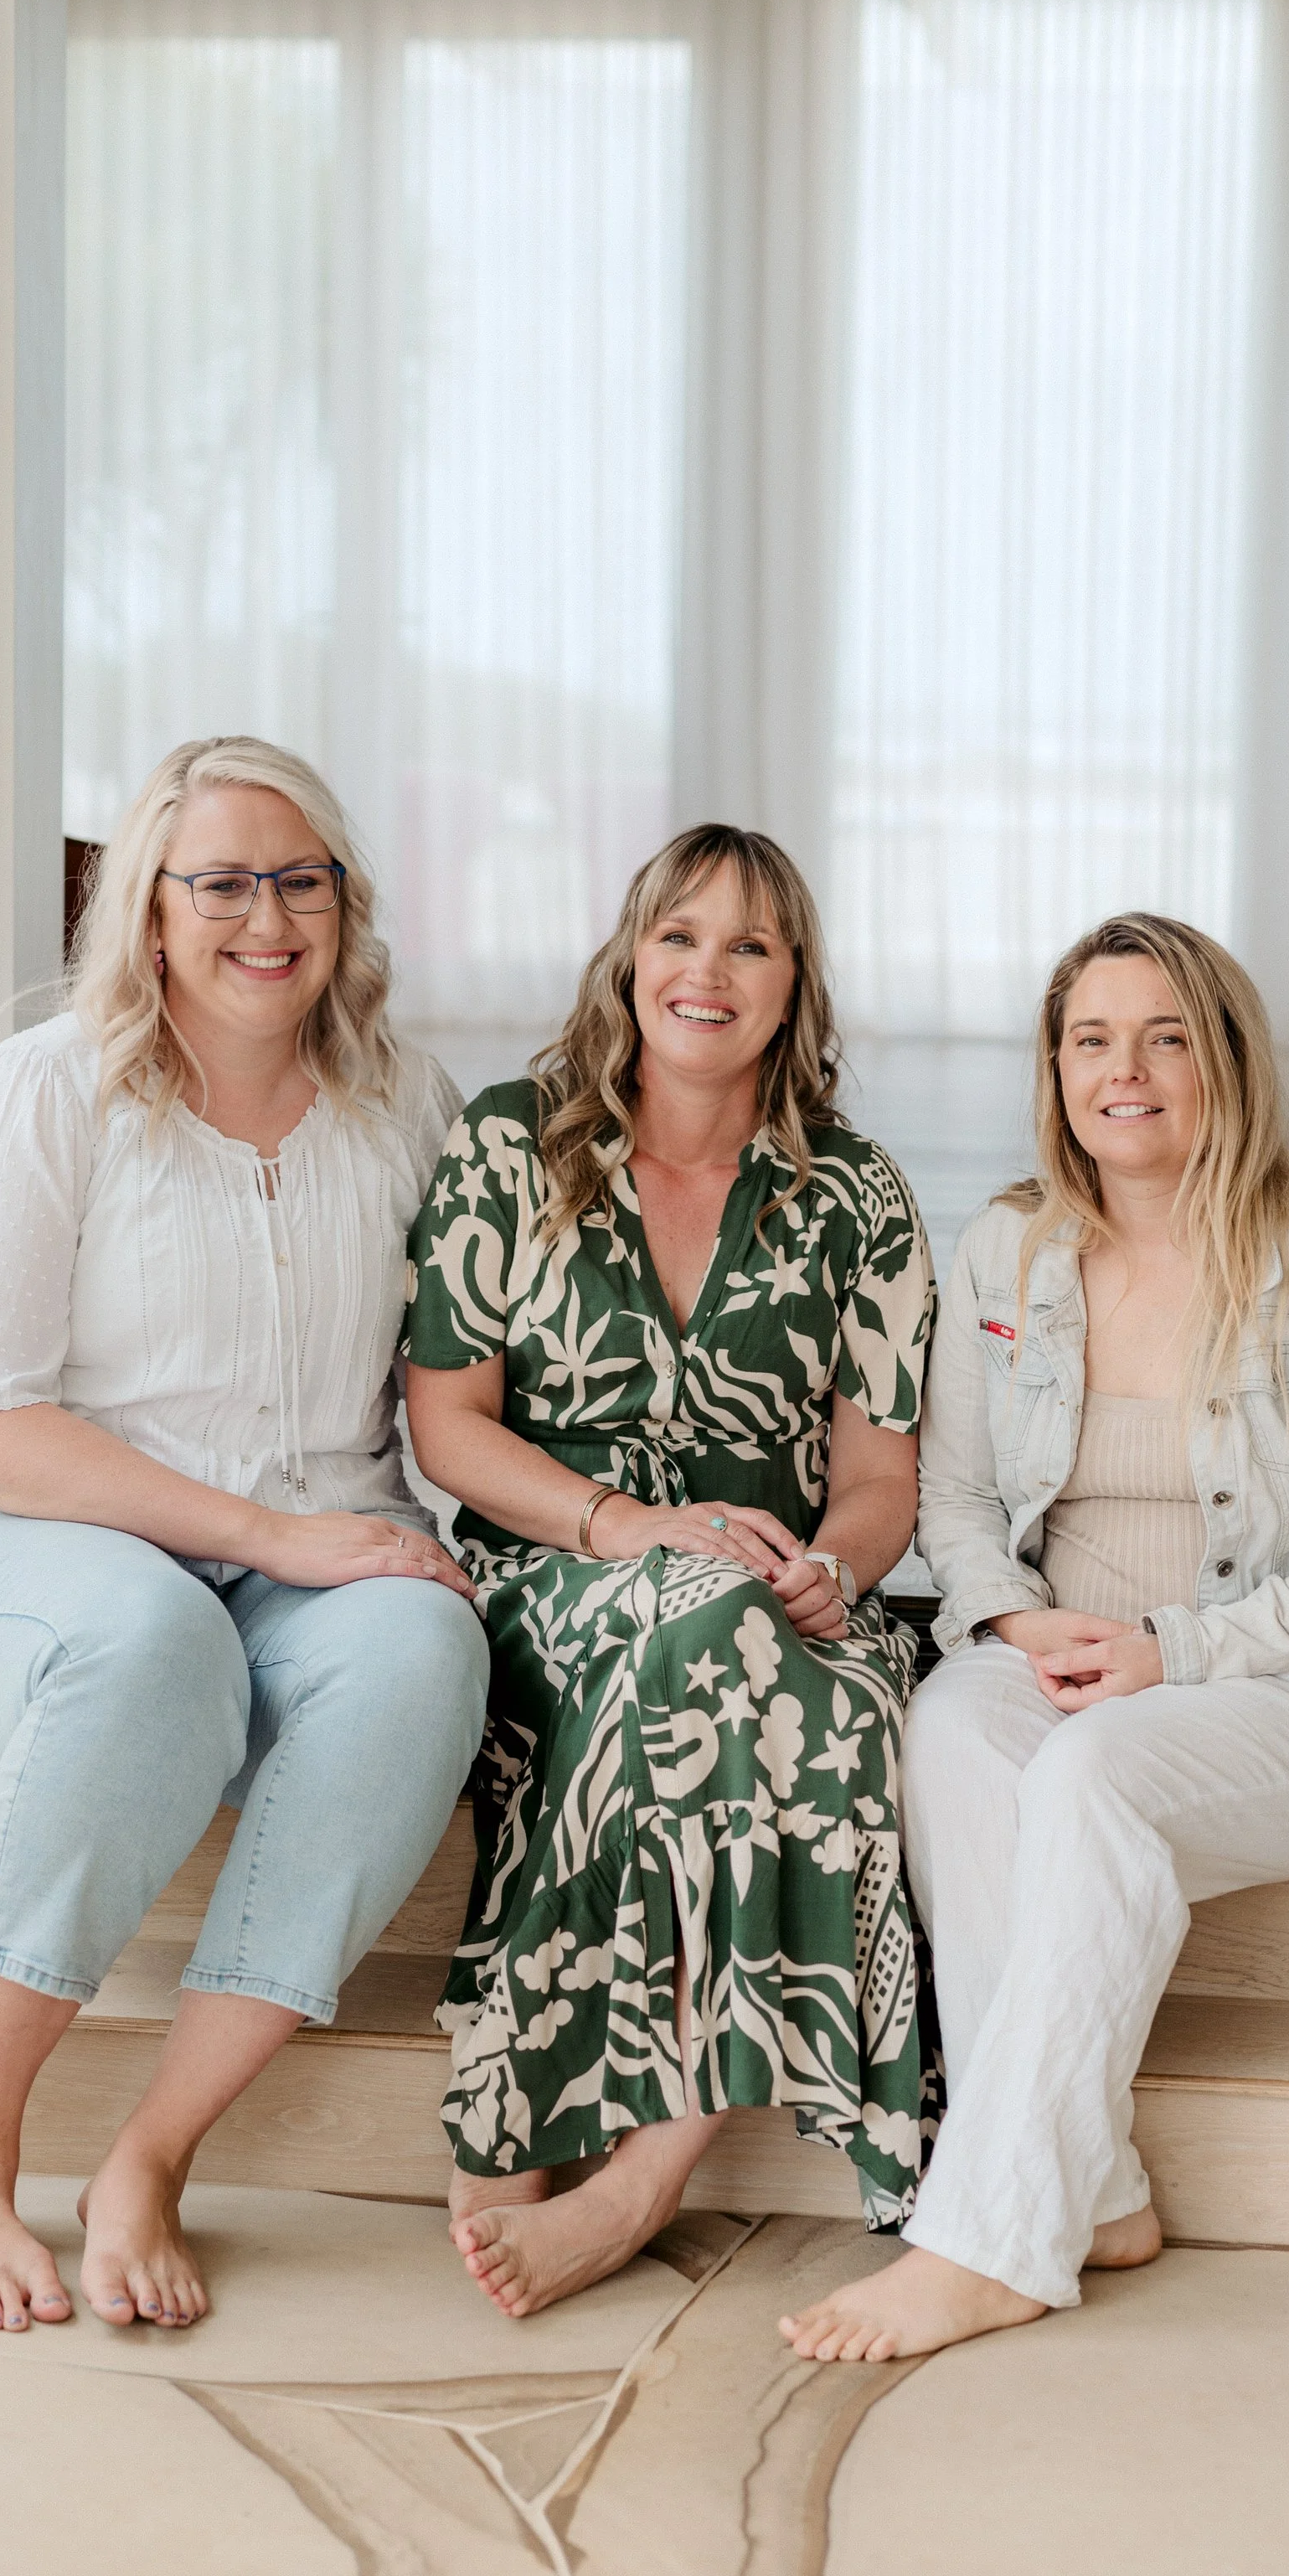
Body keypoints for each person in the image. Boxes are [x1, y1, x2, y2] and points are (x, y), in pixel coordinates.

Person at [0, 736, 487, 2337]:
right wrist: (267, 1532)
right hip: (7, 1565)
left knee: (426, 1644)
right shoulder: (47, 1090)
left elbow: (467, 1378)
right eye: (218, 880)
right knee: (153, 1634)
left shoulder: (406, 1104)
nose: (263, 916)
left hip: (303, 1568)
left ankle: (151, 2151)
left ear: (345, 907)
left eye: (301, 880)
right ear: (148, 908)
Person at [783, 911, 1289, 2364]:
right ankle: (1097, 2192)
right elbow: (952, 1501)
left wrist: (1176, 1648)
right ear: (1056, 1066)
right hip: (1060, 1657)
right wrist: (1018, 1620)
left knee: (1096, 1780)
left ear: (1221, 1059)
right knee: (957, 1728)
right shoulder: (1011, 1251)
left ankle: (990, 2238)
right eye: (1091, 1037)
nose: (1124, 1069)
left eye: (1164, 1036)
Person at [403, 825, 934, 2318]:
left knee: (794, 1675)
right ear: (631, 957)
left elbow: (881, 1484)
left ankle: (625, 2172)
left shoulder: (861, 1198)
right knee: (729, 1655)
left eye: (751, 946)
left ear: (794, 989)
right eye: (681, 934)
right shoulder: (514, 1143)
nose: (709, 970)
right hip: (551, 1576)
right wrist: (629, 1529)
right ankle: (599, 2150)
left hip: (780, 1598)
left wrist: (834, 1570)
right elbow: (447, 1423)